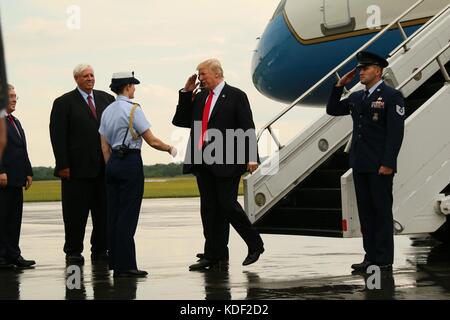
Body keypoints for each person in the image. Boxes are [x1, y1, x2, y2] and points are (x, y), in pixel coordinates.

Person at [172, 58, 264, 271]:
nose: (200, 78)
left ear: (216, 73)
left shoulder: (236, 95)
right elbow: (180, 120)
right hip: (202, 160)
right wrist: (185, 94)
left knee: (227, 204)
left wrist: (252, 157)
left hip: (227, 160)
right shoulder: (200, 96)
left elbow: (247, 127)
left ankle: (254, 243)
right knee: (209, 209)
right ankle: (214, 255)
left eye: (202, 74)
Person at [326, 51, 405, 272]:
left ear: (378, 71)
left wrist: (388, 162)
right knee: (366, 213)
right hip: (360, 164)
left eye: (365, 68)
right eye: (360, 68)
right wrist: (339, 86)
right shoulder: (357, 97)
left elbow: (395, 133)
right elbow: (332, 109)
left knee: (381, 212)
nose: (361, 71)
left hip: (380, 165)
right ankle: (370, 257)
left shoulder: (391, 96)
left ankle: (384, 259)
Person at [99, 71, 175, 278]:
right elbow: (152, 140)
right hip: (130, 161)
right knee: (127, 215)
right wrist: (169, 148)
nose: (134, 89)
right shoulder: (134, 109)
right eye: (133, 85)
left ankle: (115, 261)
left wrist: (111, 165)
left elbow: (104, 146)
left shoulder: (107, 111)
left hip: (113, 162)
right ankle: (126, 265)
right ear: (127, 87)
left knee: (113, 214)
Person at [49, 64, 115, 264]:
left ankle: (101, 249)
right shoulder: (63, 102)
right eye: (85, 76)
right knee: (74, 215)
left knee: (103, 213)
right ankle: (73, 251)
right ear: (76, 79)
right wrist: (63, 165)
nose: (90, 79)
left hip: (103, 169)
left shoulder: (107, 99)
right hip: (75, 171)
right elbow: (57, 136)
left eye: (92, 75)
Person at [0, 84, 35, 268]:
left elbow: (22, 149)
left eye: (15, 96)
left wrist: (28, 171)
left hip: (16, 178)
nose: (14, 99)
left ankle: (13, 254)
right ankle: (2, 257)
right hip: (3, 179)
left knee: (14, 219)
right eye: (10, 96)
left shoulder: (15, 121)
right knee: (2, 218)